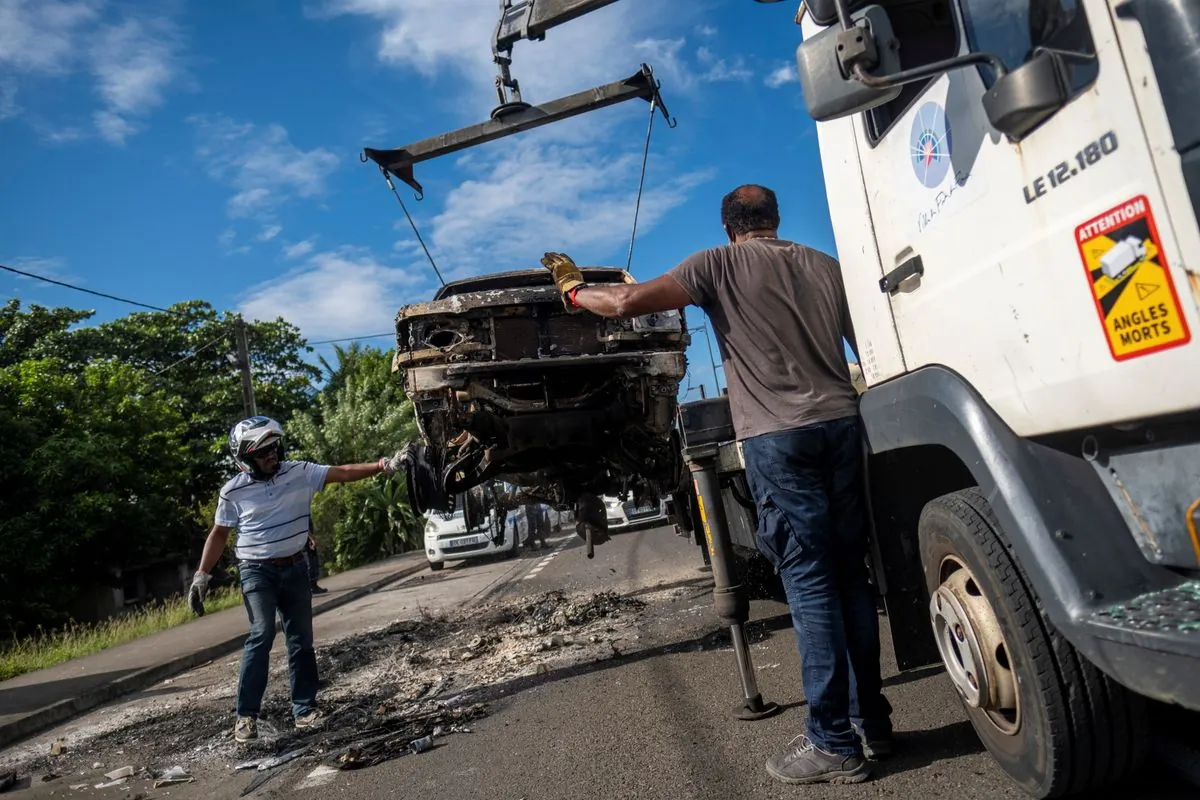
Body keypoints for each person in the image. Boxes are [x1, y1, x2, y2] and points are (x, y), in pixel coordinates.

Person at [539, 185, 892, 785]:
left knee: (808, 583)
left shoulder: (717, 263)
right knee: (851, 576)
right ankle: (873, 726)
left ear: (730, 228)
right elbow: (869, 345)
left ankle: (832, 741)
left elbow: (626, 303)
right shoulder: (825, 265)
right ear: (774, 219)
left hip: (779, 439)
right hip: (842, 426)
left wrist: (574, 291)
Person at [187, 415, 404, 743]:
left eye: (274, 448)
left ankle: (304, 710)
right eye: (263, 453)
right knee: (261, 633)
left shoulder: (300, 472)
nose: (272, 456)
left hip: (296, 568)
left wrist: (383, 465)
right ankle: (246, 717)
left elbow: (342, 472)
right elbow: (219, 534)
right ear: (245, 460)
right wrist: (202, 576)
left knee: (301, 639)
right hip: (256, 571)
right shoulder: (233, 492)